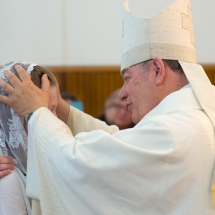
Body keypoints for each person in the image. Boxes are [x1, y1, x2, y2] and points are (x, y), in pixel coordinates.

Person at [0, 0, 215, 214]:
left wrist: (37, 112)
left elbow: (76, 163)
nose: (122, 93)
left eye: (127, 78)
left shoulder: (174, 133)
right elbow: (119, 145)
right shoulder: (191, 120)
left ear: (158, 70)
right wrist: (63, 111)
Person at [0, 61, 58, 215]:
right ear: (14, 119)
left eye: (55, 109)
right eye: (46, 111)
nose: (56, 120)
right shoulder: (8, 177)